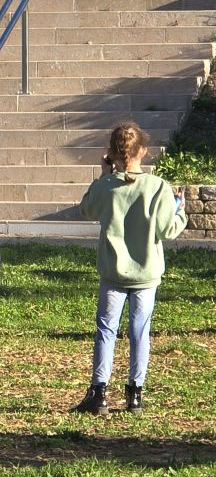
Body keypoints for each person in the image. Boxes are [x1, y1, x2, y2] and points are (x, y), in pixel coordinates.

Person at [71, 122, 186, 416]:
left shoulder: (105, 187)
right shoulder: (158, 186)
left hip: (113, 271)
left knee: (106, 330)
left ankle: (99, 392)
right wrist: (180, 209)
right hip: (146, 273)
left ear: (111, 153)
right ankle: (135, 393)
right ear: (144, 152)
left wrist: (103, 175)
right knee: (140, 332)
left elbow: (86, 209)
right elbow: (167, 229)